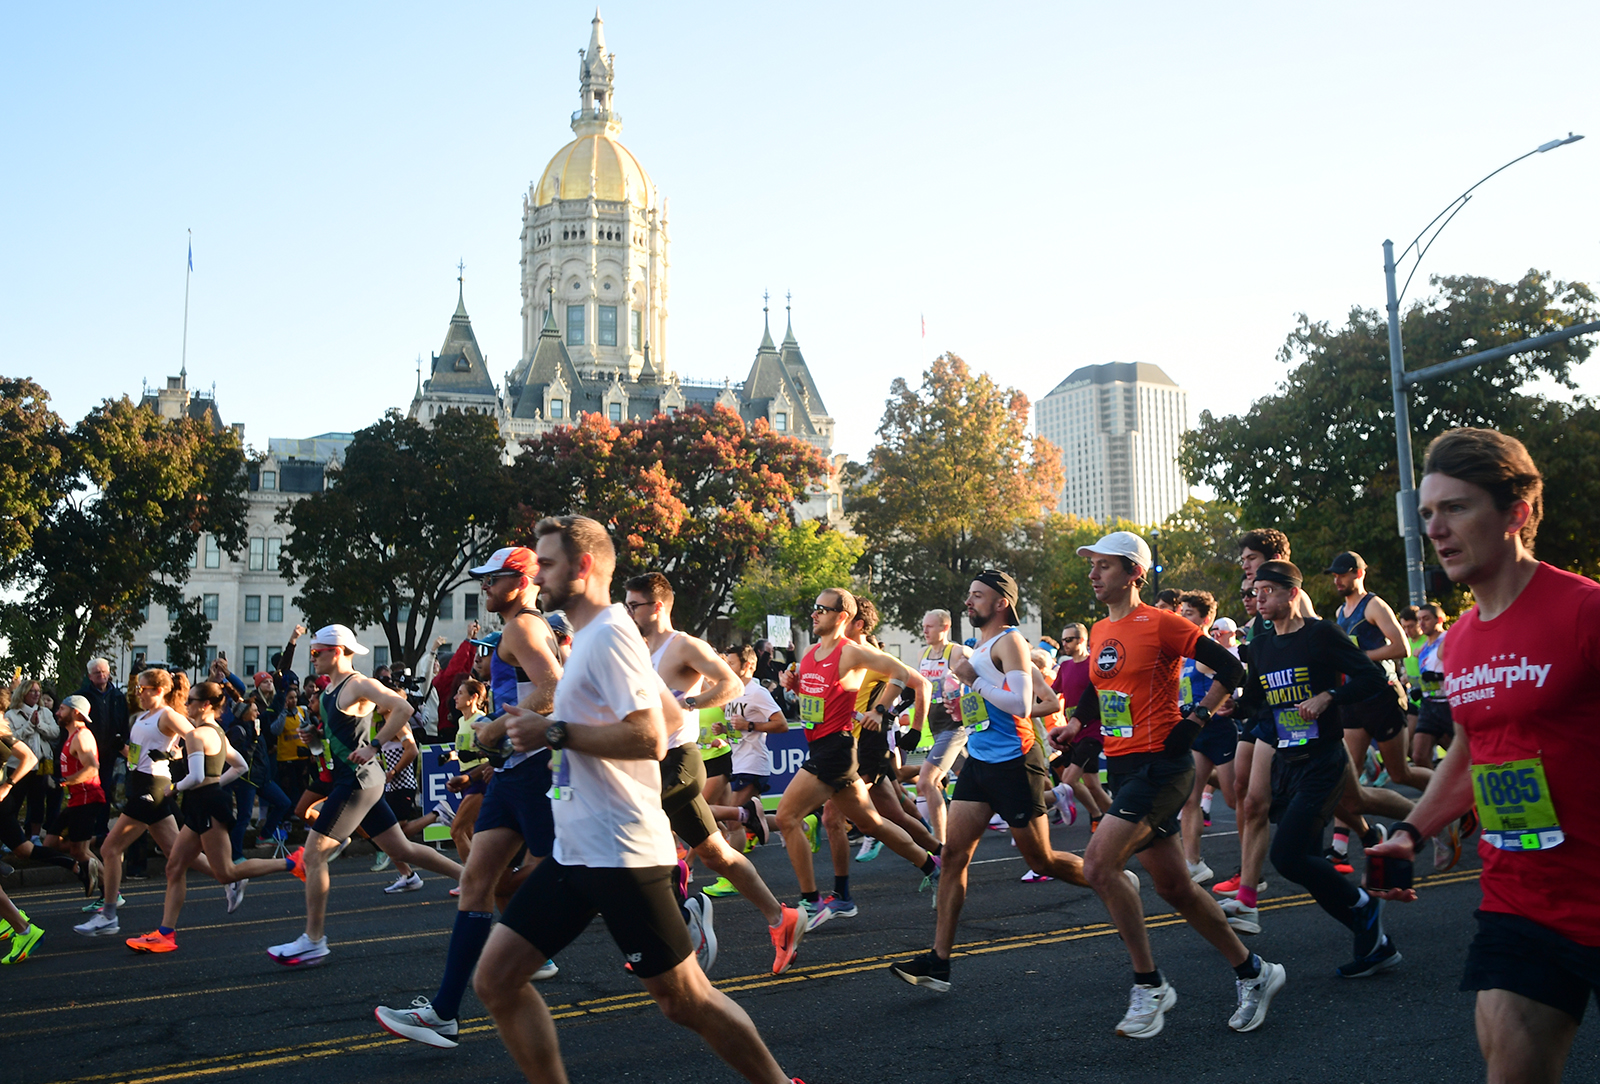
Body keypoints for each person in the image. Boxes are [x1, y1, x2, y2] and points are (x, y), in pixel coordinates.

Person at [468, 515, 799, 1084]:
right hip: (577, 850)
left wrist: (554, 732)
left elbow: (648, 737)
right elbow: (668, 714)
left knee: (684, 1000)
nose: (537, 576)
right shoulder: (599, 637)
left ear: (585, 566)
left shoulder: (608, 635)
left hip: (621, 852)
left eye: (546, 564)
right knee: (496, 980)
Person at [1366, 426, 1600, 1084]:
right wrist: (1412, 830)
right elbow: (1471, 752)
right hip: (1521, 899)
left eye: (1456, 508)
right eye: (1428, 514)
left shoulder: (1584, 613)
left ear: (1516, 514)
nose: (1435, 529)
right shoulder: (1459, 643)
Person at [1072, 531, 1284, 1038]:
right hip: (1123, 765)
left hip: (1162, 766)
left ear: (1133, 574)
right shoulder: (1101, 630)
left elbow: (1232, 667)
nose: (1094, 574)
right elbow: (1103, 695)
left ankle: (1149, 985)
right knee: (1175, 888)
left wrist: (1196, 718)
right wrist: (1077, 733)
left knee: (1099, 866)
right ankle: (1254, 973)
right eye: (1092, 566)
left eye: (1104, 565)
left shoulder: (1162, 623)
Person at [375, 547, 564, 1046]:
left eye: (493, 579)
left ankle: (668, 919)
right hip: (509, 772)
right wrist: (493, 747)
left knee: (561, 871)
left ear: (521, 581)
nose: (484, 587)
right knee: (482, 880)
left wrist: (496, 727)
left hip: (533, 771)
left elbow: (553, 686)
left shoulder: (524, 627)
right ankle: (443, 1011)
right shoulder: (523, 627)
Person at [890, 570, 1089, 991]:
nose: (969, 601)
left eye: (977, 595)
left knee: (1042, 861)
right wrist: (971, 703)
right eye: (968, 594)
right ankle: (939, 963)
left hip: (1016, 763)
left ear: (1001, 602)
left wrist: (971, 681)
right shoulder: (981, 646)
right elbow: (1014, 700)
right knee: (953, 858)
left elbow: (1020, 703)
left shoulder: (1010, 641)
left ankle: (1108, 877)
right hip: (980, 761)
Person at [625, 571, 804, 975]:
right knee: (717, 853)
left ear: (657, 606)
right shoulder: (634, 649)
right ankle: (781, 918)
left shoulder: (683, 645)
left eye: (634, 605)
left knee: (640, 839)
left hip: (679, 760)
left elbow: (731, 685)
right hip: (645, 763)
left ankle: (683, 921)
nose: (628, 612)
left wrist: (689, 702)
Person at [1237, 561, 1399, 978]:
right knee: (1305, 860)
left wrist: (1331, 694)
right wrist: (1233, 709)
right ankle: (1375, 943)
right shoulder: (1260, 647)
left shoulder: (1321, 634)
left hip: (1324, 760)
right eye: (1256, 592)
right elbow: (1259, 700)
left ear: (1292, 593)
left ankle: (1364, 907)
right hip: (1287, 762)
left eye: (1268, 591)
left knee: (1287, 856)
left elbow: (1372, 679)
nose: (1260, 599)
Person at [267, 624, 462, 967]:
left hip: (356, 782)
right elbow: (333, 742)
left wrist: (374, 745)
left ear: (338, 651)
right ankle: (471, 878)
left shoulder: (358, 683)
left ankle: (314, 940)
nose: (312, 658)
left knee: (312, 855)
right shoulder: (330, 691)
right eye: (311, 652)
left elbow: (402, 707)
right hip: (356, 779)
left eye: (317, 652)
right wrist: (312, 736)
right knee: (402, 849)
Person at [775, 588, 944, 928]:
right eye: (814, 608)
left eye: (822, 609)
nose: (814, 614)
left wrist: (880, 710)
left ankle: (812, 902)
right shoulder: (810, 653)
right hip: (822, 746)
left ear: (842, 617)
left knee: (786, 817)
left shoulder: (850, 653)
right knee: (872, 823)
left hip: (836, 749)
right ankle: (932, 866)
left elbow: (900, 673)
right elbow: (816, 699)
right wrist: (794, 686)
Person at [124, 683, 305, 951]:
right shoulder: (218, 733)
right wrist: (214, 783)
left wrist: (174, 788)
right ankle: (165, 934)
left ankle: (293, 863)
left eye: (191, 701)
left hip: (207, 805)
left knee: (226, 873)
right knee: (174, 867)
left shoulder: (198, 735)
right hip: (203, 803)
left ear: (205, 705)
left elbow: (195, 777)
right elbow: (240, 765)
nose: (186, 705)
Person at [75, 669, 213, 936]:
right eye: (138, 688)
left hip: (152, 786)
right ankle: (228, 876)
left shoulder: (168, 715)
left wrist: (177, 755)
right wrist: (121, 748)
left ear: (159, 691)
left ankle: (109, 914)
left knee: (110, 849)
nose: (139, 693)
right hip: (140, 782)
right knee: (177, 852)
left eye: (144, 689)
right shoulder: (141, 717)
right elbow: (137, 755)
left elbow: (194, 735)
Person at [1175, 591, 1239, 885]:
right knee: (1190, 798)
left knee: (1235, 798)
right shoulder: (1183, 653)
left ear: (1206, 618)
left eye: (1189, 612)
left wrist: (1231, 701)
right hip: (1196, 735)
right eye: (1182, 611)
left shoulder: (1208, 650)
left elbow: (1236, 676)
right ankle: (1193, 862)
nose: (1183, 616)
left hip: (1219, 732)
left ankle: (1249, 862)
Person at [913, 609, 966, 846]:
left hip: (955, 725)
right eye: (923, 626)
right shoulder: (923, 654)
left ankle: (940, 844)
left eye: (930, 626)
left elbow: (977, 674)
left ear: (945, 628)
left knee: (926, 781)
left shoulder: (956, 652)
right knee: (971, 777)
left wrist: (960, 688)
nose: (924, 631)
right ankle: (1020, 812)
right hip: (934, 725)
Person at [1051, 623, 1111, 829]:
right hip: (1072, 732)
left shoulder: (1093, 665)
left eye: (1068, 640)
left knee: (1067, 778)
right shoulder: (1065, 667)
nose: (1064, 644)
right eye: (1063, 640)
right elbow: (1051, 694)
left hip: (1094, 731)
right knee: (1093, 785)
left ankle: (1053, 805)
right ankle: (1104, 818)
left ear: (1082, 640)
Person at [73, 657, 129, 809]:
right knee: (89, 790)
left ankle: (102, 830)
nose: (101, 675)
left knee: (106, 791)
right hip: (88, 752)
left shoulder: (118, 697)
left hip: (111, 752)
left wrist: (122, 744)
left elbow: (124, 723)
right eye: (97, 673)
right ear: (90, 676)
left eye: (104, 672)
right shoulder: (82, 696)